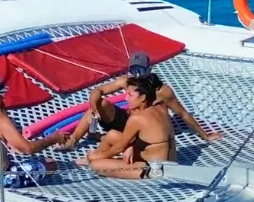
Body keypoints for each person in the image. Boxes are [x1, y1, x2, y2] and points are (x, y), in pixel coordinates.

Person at [59, 51, 220, 149]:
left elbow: (183, 114)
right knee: (100, 104)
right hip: (127, 121)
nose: (137, 75)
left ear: (149, 70)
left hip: (143, 130)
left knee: (115, 137)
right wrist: (94, 106)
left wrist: (204, 135)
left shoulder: (162, 91)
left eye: (140, 70)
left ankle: (100, 137)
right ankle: (73, 140)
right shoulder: (126, 81)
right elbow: (98, 90)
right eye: (133, 70)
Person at [83, 75, 174, 179]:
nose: (126, 98)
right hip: (169, 161)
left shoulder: (137, 119)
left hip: (155, 170)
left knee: (96, 165)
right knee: (112, 134)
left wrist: (99, 157)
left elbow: (119, 148)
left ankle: (92, 158)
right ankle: (91, 157)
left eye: (130, 95)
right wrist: (130, 147)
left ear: (142, 97)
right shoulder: (160, 107)